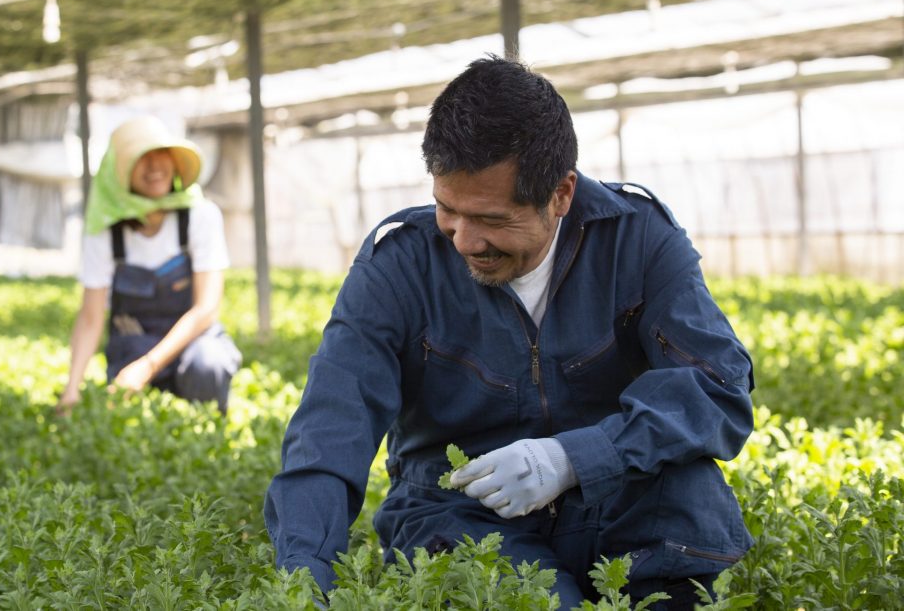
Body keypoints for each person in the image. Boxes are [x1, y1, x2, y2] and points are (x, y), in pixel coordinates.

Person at [264, 57, 754, 609]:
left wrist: (572, 458)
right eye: (448, 209)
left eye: (494, 220)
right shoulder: (399, 264)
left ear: (561, 194)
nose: (465, 241)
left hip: (614, 493)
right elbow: (331, 429)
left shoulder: (637, 239)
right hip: (457, 511)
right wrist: (306, 580)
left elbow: (719, 387)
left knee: (686, 494)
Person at [55, 115, 241, 416]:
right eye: (141, 159)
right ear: (120, 173)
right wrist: (71, 389)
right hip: (133, 344)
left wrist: (149, 366)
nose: (154, 167)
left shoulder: (200, 216)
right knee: (126, 413)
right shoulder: (104, 231)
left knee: (209, 364)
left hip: (192, 343)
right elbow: (90, 317)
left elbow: (206, 309)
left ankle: (205, 427)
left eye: (160, 154)